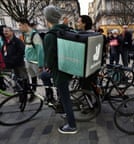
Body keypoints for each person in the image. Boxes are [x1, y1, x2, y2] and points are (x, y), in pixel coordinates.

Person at [43, 5, 77, 134]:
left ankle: (72, 125)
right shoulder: (66, 31)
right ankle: (64, 112)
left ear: (48, 19)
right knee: (64, 95)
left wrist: (49, 67)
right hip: (69, 67)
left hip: (59, 71)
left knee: (66, 98)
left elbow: (49, 58)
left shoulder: (50, 36)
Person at [18, 18, 54, 104]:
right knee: (33, 79)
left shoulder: (35, 35)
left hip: (36, 63)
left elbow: (40, 50)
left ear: (25, 25)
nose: (19, 27)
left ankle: (50, 96)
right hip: (29, 61)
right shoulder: (25, 34)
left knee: (44, 79)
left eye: (20, 25)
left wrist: (41, 65)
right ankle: (33, 94)